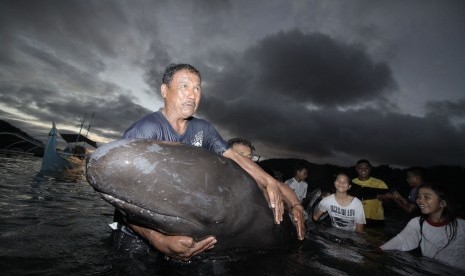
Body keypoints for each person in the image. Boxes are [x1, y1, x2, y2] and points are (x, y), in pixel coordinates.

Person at [112, 63, 305, 261]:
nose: (192, 94)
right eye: (184, 86)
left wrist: (269, 182)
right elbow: (119, 193)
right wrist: (157, 240)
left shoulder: (203, 129)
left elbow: (235, 156)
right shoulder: (144, 132)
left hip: (176, 227)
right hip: (137, 235)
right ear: (164, 90)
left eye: (197, 88)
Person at [379, 183, 465, 271]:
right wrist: (378, 251)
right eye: (419, 196)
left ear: (442, 203)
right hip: (431, 270)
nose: (420, 200)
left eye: (426, 197)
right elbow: (400, 241)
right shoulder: (417, 223)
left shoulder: (461, 225)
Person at [350, 159, 389, 226]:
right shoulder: (351, 183)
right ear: (356, 169)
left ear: (370, 169)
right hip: (356, 218)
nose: (363, 170)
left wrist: (384, 199)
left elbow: (388, 201)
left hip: (376, 219)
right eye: (360, 168)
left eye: (366, 168)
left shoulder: (380, 183)